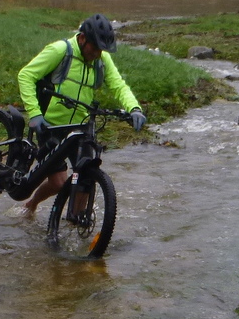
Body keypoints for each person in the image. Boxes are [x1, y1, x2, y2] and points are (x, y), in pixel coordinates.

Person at [15, 13, 145, 221]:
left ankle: (74, 221)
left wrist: (134, 108)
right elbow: (26, 75)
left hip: (81, 126)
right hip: (50, 125)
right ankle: (31, 204)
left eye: (101, 50)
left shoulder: (102, 58)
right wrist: (35, 114)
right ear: (82, 39)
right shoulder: (61, 51)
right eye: (94, 48)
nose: (97, 54)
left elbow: (118, 85)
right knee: (58, 183)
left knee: (86, 176)